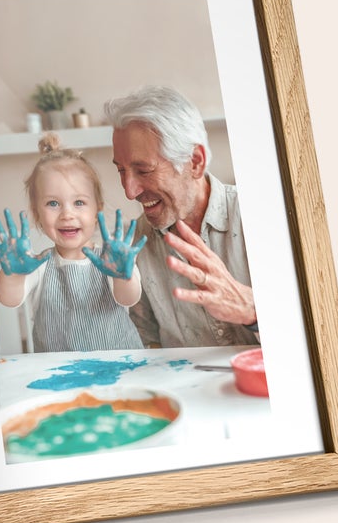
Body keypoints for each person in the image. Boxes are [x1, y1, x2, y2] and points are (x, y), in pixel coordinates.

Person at [103, 86, 259, 349]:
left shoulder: (260, 216)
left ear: (195, 161)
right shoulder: (135, 242)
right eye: (121, 170)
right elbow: (147, 346)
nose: (130, 192)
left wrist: (251, 310)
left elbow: (321, 337)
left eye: (143, 170)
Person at [0, 133, 146, 353]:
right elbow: (9, 299)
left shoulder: (112, 260)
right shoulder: (37, 265)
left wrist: (123, 276)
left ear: (97, 208)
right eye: (53, 203)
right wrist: (12, 275)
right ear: (37, 213)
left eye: (79, 202)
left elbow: (128, 298)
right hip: (58, 373)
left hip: (118, 367)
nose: (67, 214)